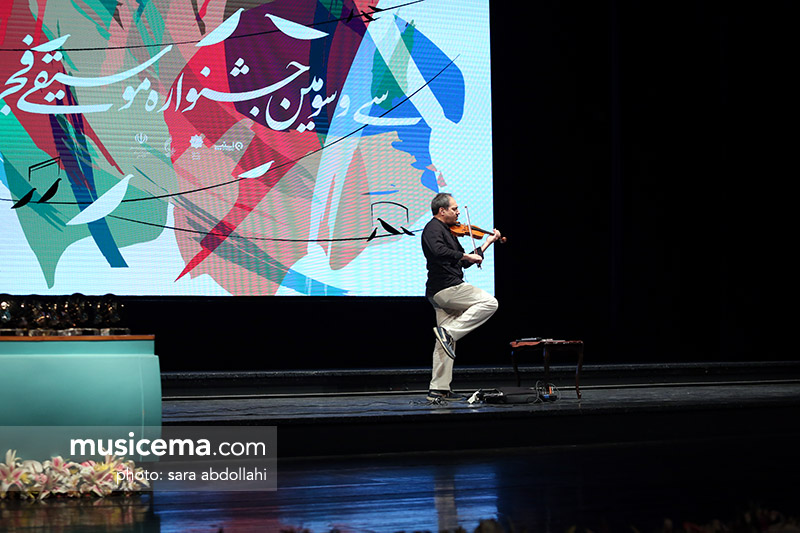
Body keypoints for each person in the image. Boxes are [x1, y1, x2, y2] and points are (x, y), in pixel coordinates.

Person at [421, 192, 501, 401]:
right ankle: (449, 332)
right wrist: (465, 255)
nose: (458, 213)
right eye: (454, 209)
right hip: (447, 288)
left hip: (441, 292)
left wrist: (487, 243)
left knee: (444, 343)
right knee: (489, 302)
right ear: (442, 210)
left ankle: (438, 389)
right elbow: (438, 251)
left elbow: (464, 262)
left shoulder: (449, 231)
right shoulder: (433, 228)